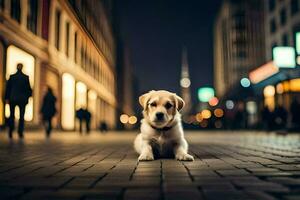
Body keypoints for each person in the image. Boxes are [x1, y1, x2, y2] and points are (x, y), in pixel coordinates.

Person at [5, 63, 32, 139]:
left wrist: (7, 98)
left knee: (12, 116)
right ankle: (20, 132)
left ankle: (10, 131)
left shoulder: (12, 77)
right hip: (22, 100)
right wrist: (28, 98)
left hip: (13, 99)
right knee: (21, 117)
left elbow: (8, 89)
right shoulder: (25, 77)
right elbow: (29, 90)